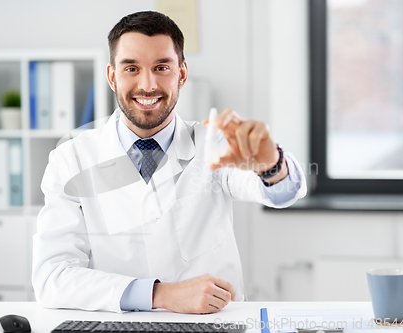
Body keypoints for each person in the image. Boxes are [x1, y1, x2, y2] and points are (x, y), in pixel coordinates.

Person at [32, 11, 306, 314]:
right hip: (120, 324)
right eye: (131, 68)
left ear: (182, 73)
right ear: (112, 76)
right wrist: (159, 295)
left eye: (161, 67)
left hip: (212, 323)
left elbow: (279, 191)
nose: (147, 85)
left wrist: (271, 164)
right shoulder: (71, 160)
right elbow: (52, 278)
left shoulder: (212, 143)